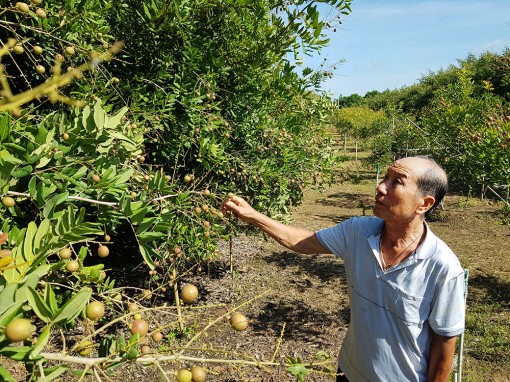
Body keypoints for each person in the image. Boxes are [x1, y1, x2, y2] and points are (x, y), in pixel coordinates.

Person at [221, 156, 465, 382]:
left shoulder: (442, 267)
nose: (381, 187)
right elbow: (303, 242)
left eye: (396, 182)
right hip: (349, 371)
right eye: (385, 178)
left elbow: (444, 343)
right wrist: (252, 215)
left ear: (424, 204)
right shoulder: (359, 232)